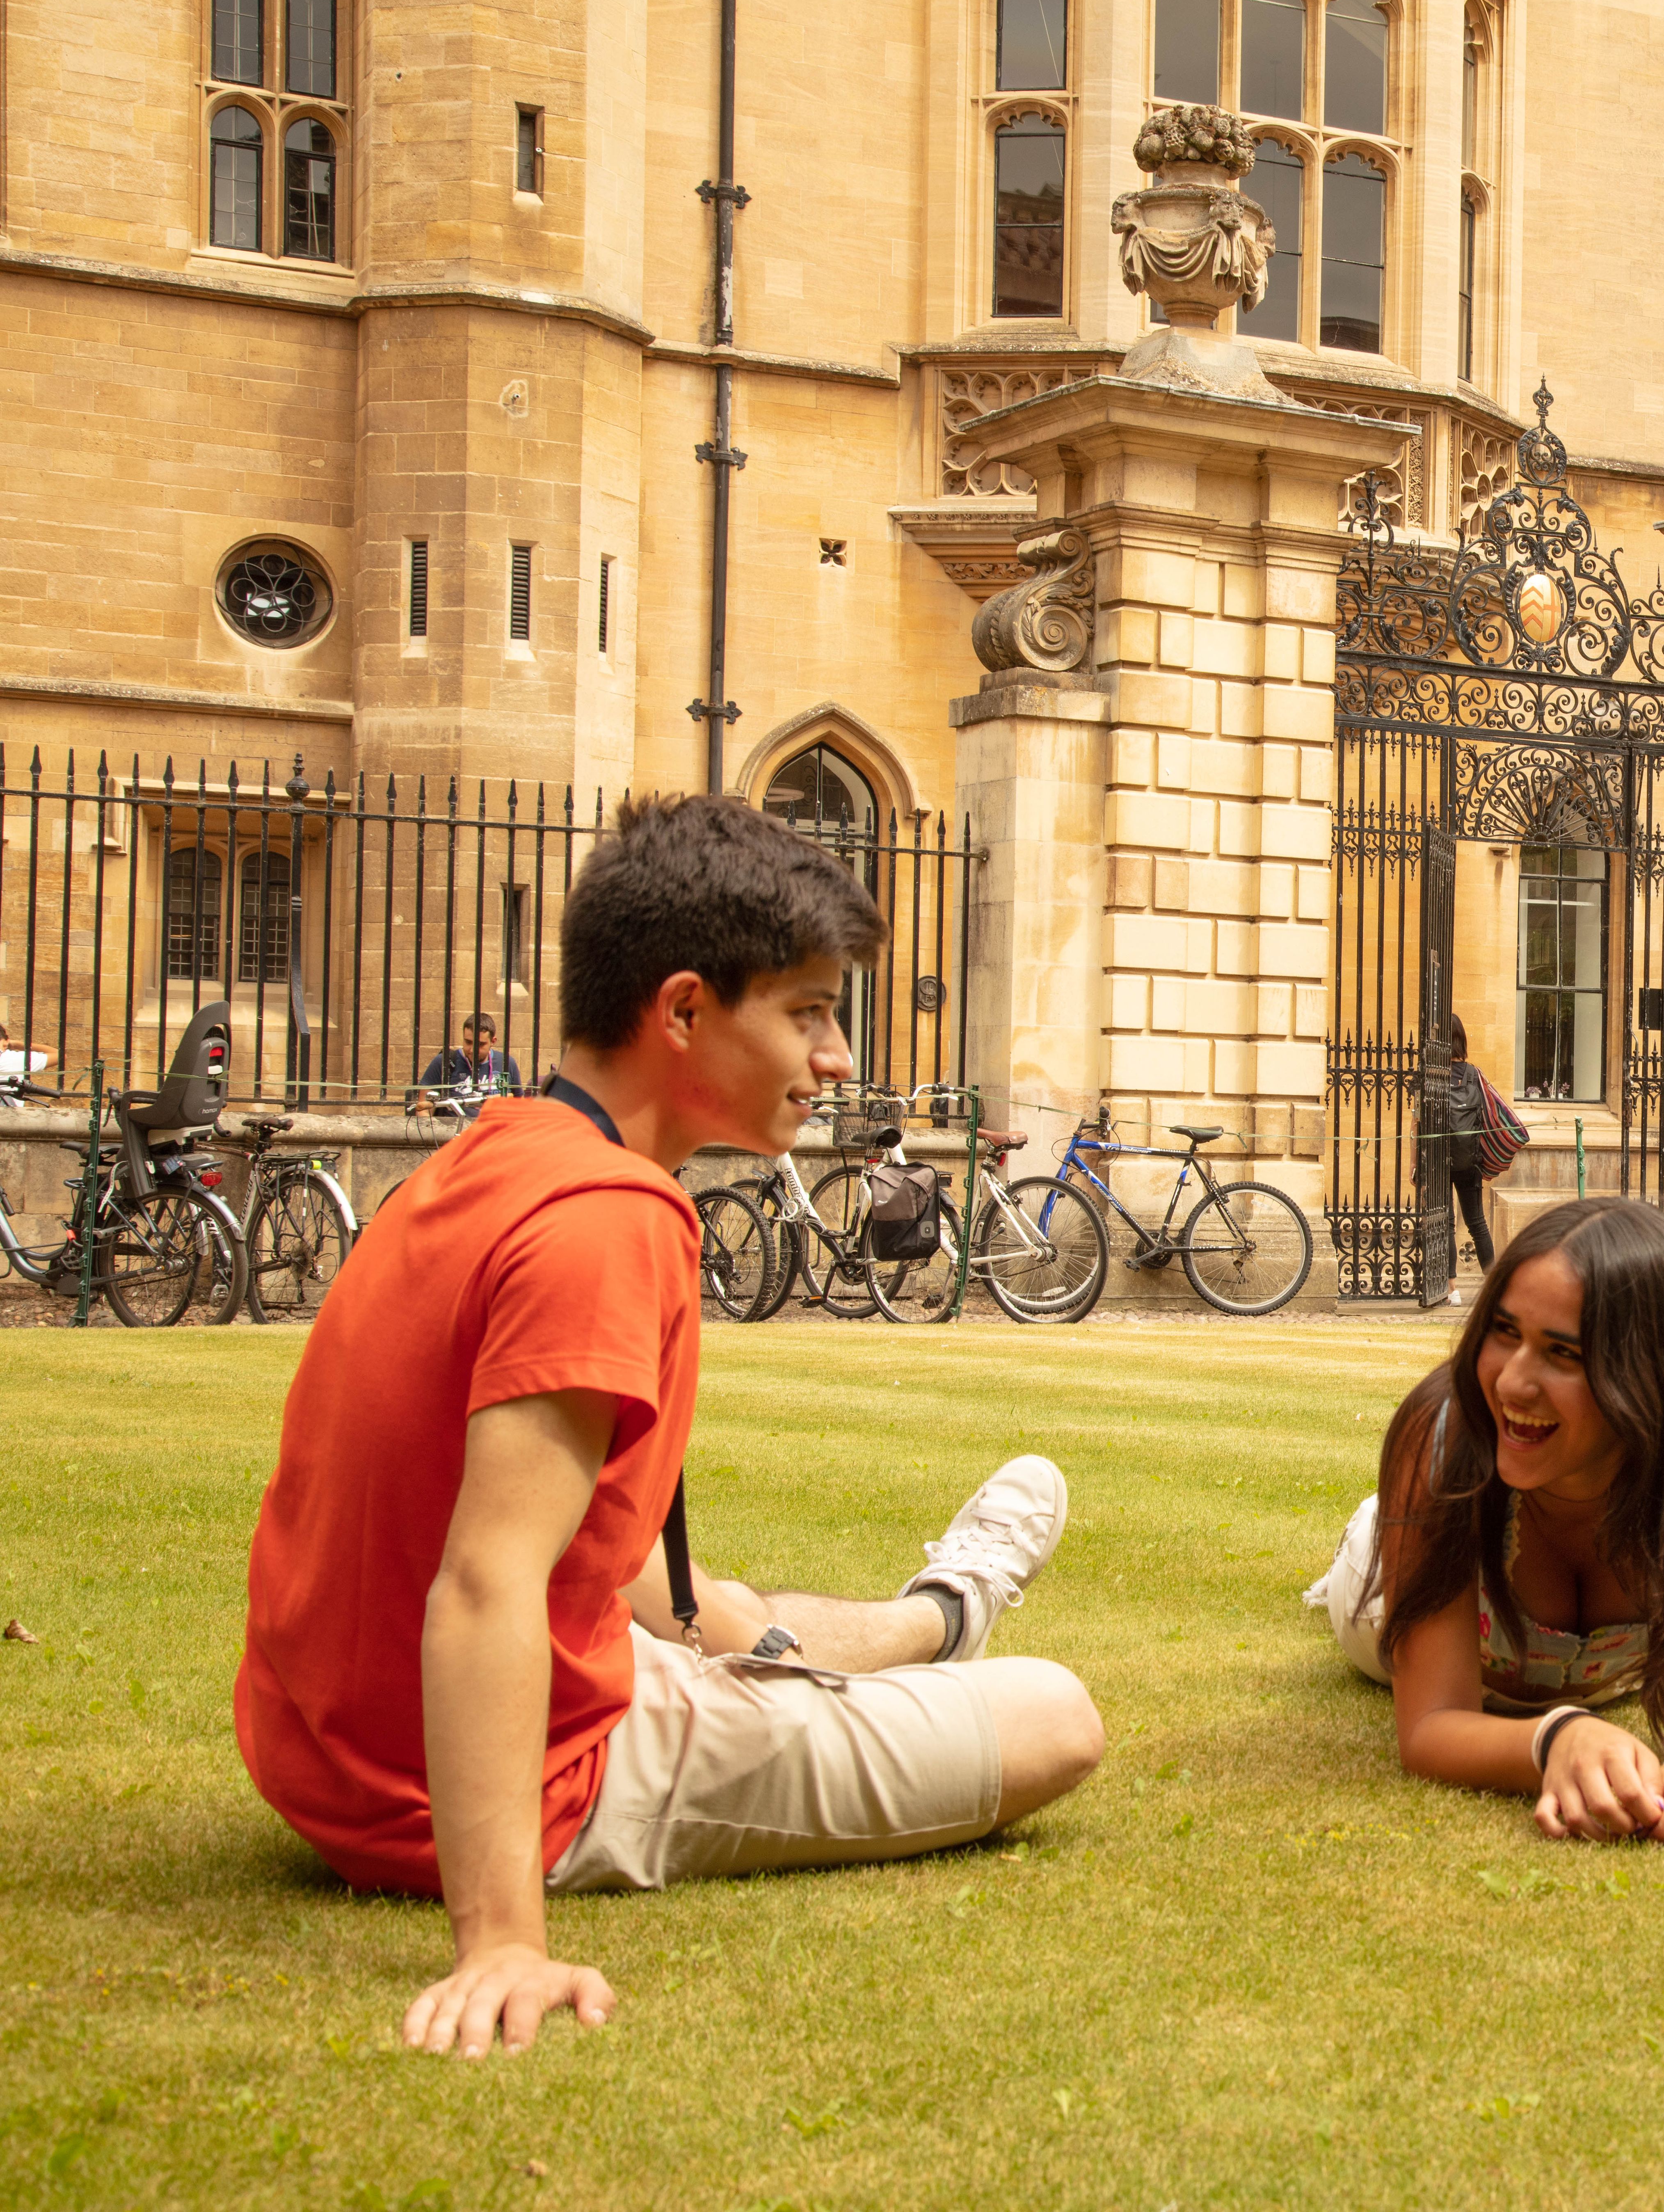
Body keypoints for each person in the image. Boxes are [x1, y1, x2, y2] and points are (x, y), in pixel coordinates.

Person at [236, 795, 1106, 2059]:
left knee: (719, 1609)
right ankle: (941, 1630)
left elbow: (559, 1537)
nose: (838, 1057)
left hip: (329, 1753)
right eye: (807, 1010)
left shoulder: (489, 1153)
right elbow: (488, 1580)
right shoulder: (604, 1217)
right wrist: (500, 1941)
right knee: (1054, 1715)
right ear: (686, 1009)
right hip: (480, 1784)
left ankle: (938, 1611)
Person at [1304, 1197, 1664, 1843]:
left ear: (1652, 1372)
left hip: (1585, 1674)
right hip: (1386, 1580)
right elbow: (1431, 1725)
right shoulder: (1442, 1434)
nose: (1513, 1383)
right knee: (1382, 1538)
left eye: (1563, 1353)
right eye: (1505, 1332)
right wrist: (1555, 1738)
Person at [1441, 1012, 1498, 1268]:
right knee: (1477, 1224)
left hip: (1438, 1159)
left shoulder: (1433, 1075)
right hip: (1470, 1159)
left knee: (1446, 1224)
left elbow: (1417, 1123)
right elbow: (1489, 1116)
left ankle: (1451, 1288)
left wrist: (1413, 1163)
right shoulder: (1475, 1074)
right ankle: (1492, 1290)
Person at [409, 1013, 525, 1115]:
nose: (472, 1050)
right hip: (453, 1132)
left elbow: (520, 1106)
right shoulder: (444, 1062)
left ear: (493, 1042)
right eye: (468, 1042)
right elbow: (424, 1110)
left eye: (480, 1044)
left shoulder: (507, 1063)